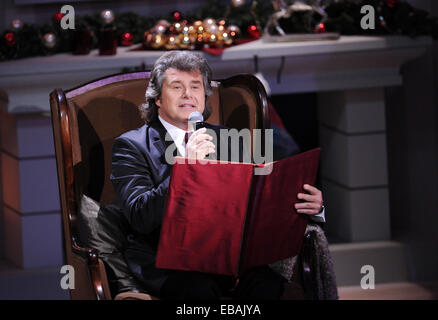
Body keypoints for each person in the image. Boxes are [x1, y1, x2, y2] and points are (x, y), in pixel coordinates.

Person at [110, 51, 325, 299]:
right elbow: (140, 216)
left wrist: (311, 205)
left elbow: (254, 201)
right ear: (157, 98)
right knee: (199, 291)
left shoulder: (227, 137)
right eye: (176, 87)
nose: (188, 94)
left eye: (195, 86)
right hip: (169, 263)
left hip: (228, 257)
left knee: (268, 284)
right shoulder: (131, 145)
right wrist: (186, 167)